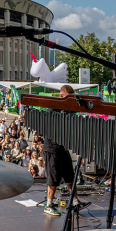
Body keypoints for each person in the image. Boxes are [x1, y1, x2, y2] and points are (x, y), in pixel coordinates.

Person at [42, 85, 77, 217]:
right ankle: (49, 205)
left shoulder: (71, 108)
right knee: (54, 177)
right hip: (52, 147)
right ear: (62, 96)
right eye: (69, 97)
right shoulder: (53, 106)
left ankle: (75, 200)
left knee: (70, 175)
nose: (71, 99)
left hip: (63, 146)